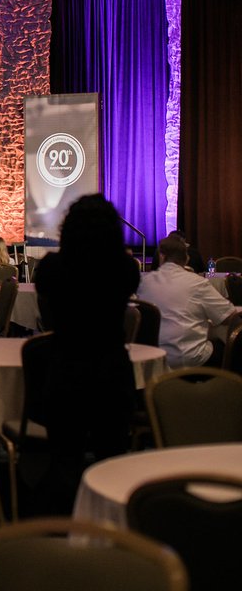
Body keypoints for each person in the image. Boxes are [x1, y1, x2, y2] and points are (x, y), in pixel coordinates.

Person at [33, 193, 139, 514]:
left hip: (66, 368)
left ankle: (64, 529)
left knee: (65, 458)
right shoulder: (126, 269)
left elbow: (47, 318)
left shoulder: (50, 268)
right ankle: (113, 529)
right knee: (113, 459)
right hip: (112, 371)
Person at [137, 235, 236, 368]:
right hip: (187, 357)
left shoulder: (144, 282)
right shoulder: (197, 283)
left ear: (161, 256)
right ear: (187, 258)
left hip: (152, 358)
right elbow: (228, 316)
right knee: (231, 348)